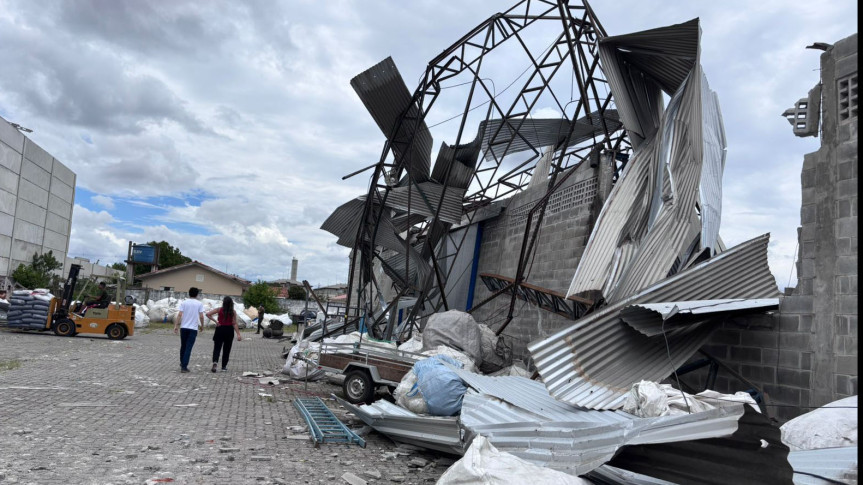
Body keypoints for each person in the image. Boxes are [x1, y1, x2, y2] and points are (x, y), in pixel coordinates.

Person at [206, 296, 242, 372]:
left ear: (223, 303)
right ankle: (224, 366)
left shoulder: (219, 310)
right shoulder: (233, 312)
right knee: (227, 349)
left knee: (217, 347)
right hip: (229, 330)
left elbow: (208, 314)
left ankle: (215, 362)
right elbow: (234, 323)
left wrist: (216, 322)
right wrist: (238, 334)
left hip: (220, 329)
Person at [174, 287, 204, 373]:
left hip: (183, 328)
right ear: (197, 294)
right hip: (193, 329)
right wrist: (202, 325)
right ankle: (184, 366)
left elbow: (179, 315)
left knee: (183, 346)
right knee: (188, 347)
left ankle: (182, 362)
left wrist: (176, 325)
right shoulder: (199, 304)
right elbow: (201, 316)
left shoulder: (184, 303)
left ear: (189, 293)